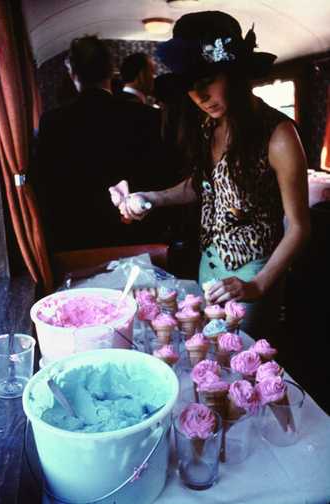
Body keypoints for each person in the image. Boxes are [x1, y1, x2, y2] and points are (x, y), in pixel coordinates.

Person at [110, 11, 311, 343]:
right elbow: (203, 186)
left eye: (206, 83)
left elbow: (300, 225)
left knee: (242, 369)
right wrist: (152, 198)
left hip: (254, 273)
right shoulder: (210, 125)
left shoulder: (279, 135)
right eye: (191, 88)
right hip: (208, 267)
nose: (199, 97)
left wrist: (258, 285)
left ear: (233, 74)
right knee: (207, 363)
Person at [30, 35, 169, 253]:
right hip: (136, 235)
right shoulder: (146, 116)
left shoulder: (52, 121)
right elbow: (159, 176)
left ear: (73, 74)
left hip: (75, 236)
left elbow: (47, 184)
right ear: (111, 71)